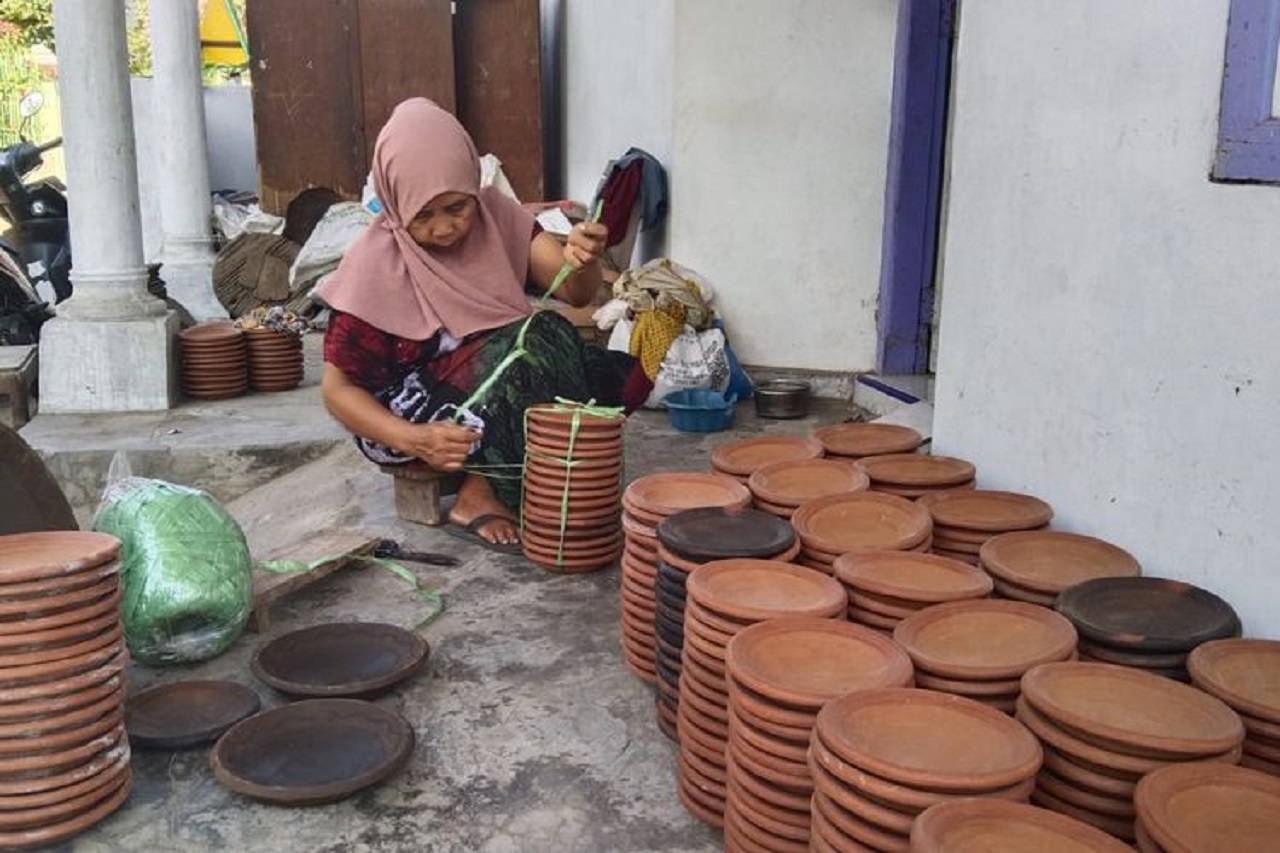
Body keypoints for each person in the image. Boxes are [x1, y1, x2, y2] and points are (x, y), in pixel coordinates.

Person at [316, 98, 636, 551]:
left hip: (486, 385)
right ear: (393, 202)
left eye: (455, 207)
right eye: (423, 216)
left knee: (614, 373)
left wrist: (584, 257)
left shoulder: (496, 215)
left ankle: (497, 480)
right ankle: (482, 492)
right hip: (405, 420)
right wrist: (415, 438)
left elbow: (575, 292)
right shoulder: (374, 266)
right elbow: (338, 392)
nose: (444, 228)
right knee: (540, 341)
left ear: (472, 186)